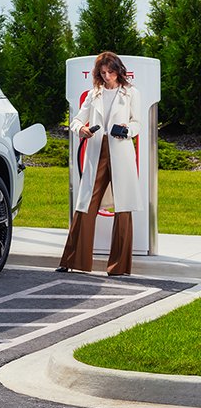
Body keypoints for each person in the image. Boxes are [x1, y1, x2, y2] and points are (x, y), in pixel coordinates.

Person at [57, 51, 141, 276]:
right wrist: (81, 129)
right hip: (97, 150)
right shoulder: (94, 94)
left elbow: (138, 122)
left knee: (123, 208)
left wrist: (127, 130)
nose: (107, 76)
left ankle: (118, 267)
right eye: (103, 73)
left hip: (120, 150)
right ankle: (73, 260)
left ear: (119, 70)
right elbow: (75, 120)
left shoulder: (131, 93)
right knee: (86, 203)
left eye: (111, 71)